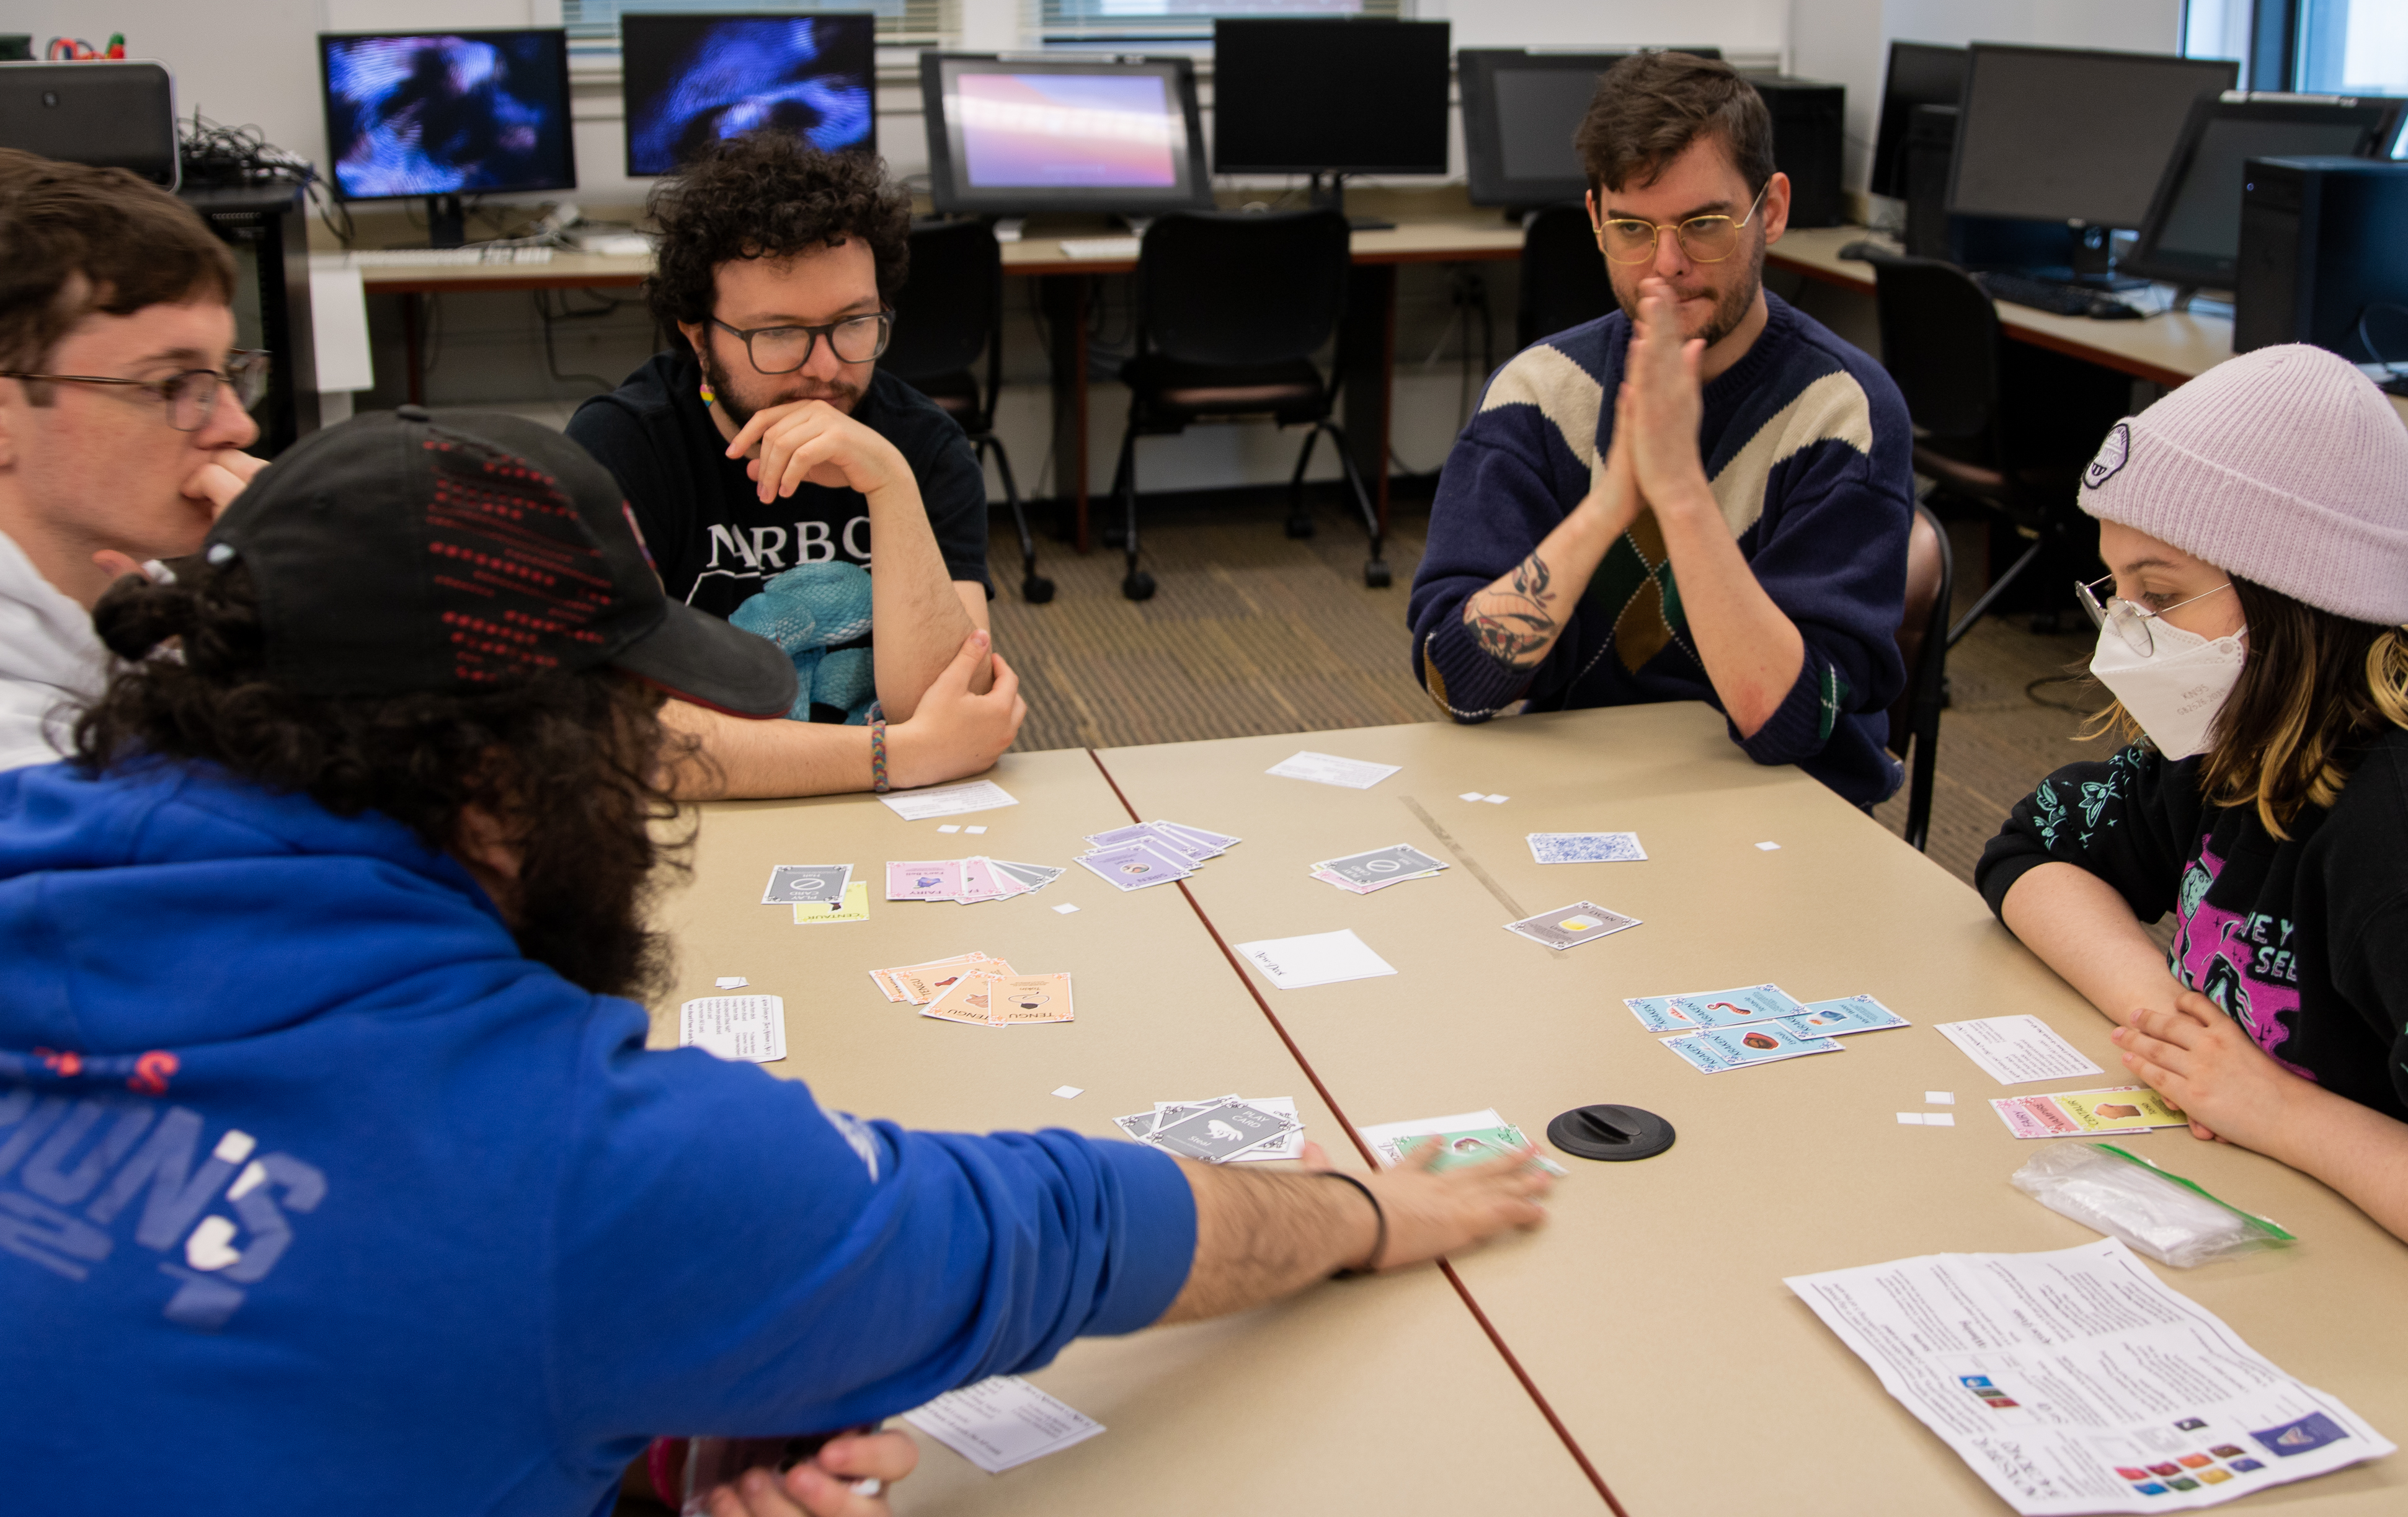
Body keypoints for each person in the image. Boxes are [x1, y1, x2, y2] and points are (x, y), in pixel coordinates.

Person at [0, 408, 1554, 1515]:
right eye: (628, 741)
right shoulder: (581, 1163)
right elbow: (1059, 1226)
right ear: (505, 770)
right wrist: (1361, 1207)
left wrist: (661, 1410)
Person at [1978, 344, 2408, 1339]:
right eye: (2111, 589)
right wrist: (2172, 1024)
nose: (2121, 634)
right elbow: (2027, 855)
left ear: (2293, 599)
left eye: (2157, 596)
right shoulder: (2236, 728)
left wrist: (2274, 1111)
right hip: (2330, 1234)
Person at [1409, 53, 1914, 805]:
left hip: (1780, 807)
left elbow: (1790, 723)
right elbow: (1458, 679)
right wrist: (1613, 500)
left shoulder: (1839, 413)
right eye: (1633, 229)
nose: (1666, 266)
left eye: (1704, 225)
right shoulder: (1541, 394)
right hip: (1584, 793)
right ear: (1595, 219)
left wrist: (1677, 487)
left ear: (1770, 209)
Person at [567, 131, 1023, 799]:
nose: (826, 367)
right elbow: (625, 741)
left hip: (892, 814)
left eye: (853, 322)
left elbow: (960, 705)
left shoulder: (920, 445)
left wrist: (890, 489)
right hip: (712, 822)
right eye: (778, 333)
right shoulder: (624, 447)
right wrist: (897, 754)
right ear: (698, 335)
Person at [0, 149, 265, 771]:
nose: (238, 424)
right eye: (171, 384)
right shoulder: (28, 770)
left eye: (228, 373)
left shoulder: (152, 602)